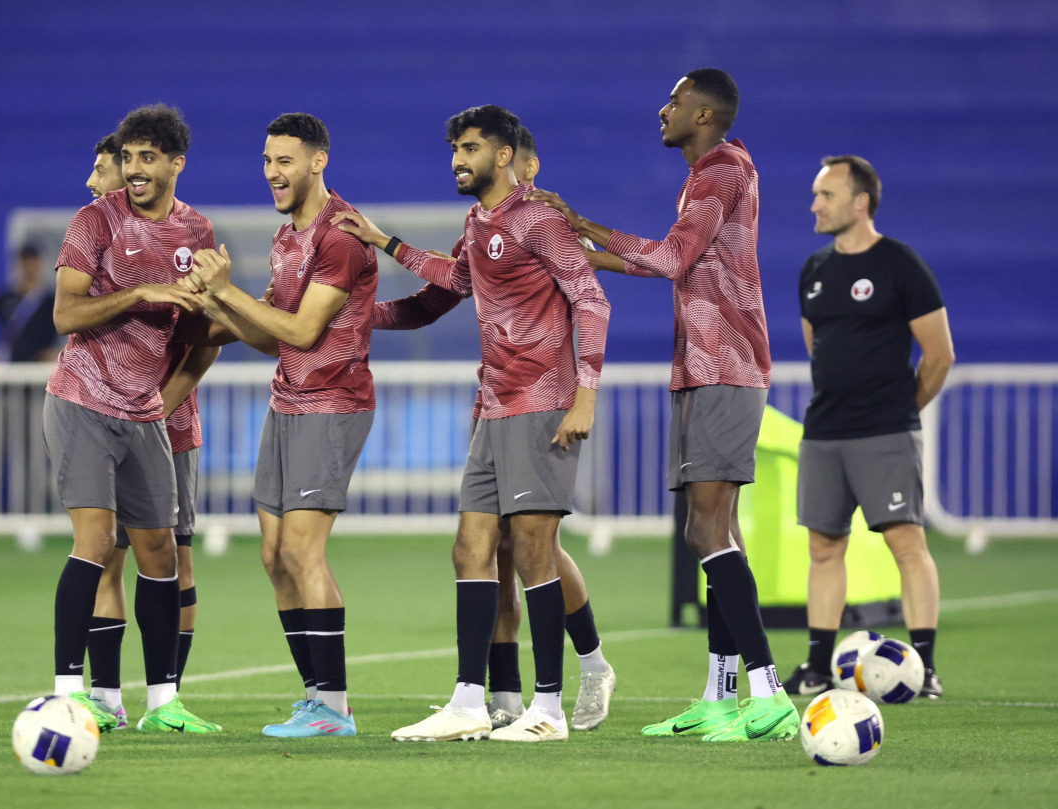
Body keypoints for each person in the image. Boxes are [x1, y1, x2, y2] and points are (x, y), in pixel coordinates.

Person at [528, 68, 799, 741]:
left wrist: (586, 226)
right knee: (712, 533)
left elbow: (674, 258)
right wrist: (582, 250)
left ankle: (769, 692)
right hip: (706, 367)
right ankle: (719, 697)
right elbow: (672, 260)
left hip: (724, 366)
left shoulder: (720, 170)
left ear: (704, 114)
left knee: (709, 533)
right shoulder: (711, 171)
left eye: (675, 100)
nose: (663, 109)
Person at [334, 104, 611, 743]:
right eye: (455, 149)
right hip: (493, 406)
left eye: (470, 148)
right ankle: (467, 701)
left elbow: (591, 298)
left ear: (504, 154)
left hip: (542, 401)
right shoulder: (478, 220)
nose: (458, 159)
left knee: (535, 551)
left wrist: (586, 395)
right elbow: (454, 282)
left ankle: (547, 710)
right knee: (470, 549)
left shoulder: (539, 217)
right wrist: (361, 307)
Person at [180, 112, 377, 738]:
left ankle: (336, 710)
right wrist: (215, 306)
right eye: (267, 161)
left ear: (318, 161)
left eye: (284, 160)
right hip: (288, 401)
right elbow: (273, 341)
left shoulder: (339, 235)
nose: (272, 172)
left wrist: (228, 292)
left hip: (333, 403)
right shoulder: (287, 237)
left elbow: (302, 331)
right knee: (272, 556)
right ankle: (317, 696)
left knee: (300, 550)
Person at [43, 103, 220, 734]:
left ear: (176, 163)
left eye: (149, 158)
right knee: (94, 543)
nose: (135, 170)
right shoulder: (94, 221)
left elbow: (206, 333)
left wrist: (226, 299)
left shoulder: (198, 234)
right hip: (83, 400)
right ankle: (69, 692)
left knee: (160, 554)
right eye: (128, 158)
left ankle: (164, 702)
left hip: (146, 413)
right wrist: (139, 294)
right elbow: (65, 315)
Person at [782, 155, 953, 699]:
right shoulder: (814, 270)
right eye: (815, 194)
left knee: (907, 545)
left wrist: (900, 410)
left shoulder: (901, 265)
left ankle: (923, 668)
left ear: (861, 202)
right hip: (824, 431)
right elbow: (818, 349)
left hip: (885, 433)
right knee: (824, 549)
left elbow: (940, 355)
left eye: (826, 195)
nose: (815, 204)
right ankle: (815, 665)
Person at [0, 244, 60, 363]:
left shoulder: (51, 302)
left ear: (40, 265)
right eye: (25, 263)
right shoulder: (6, 297)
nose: (29, 269)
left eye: (33, 263)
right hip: (9, 370)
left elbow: (76, 329)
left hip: (38, 370)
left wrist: (58, 353)